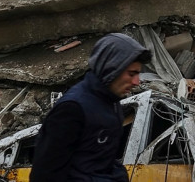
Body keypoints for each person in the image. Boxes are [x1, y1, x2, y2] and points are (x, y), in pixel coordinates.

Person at [31, 33, 152, 182]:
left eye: (138, 74)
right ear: (111, 68)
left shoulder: (112, 104)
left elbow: (102, 162)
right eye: (131, 74)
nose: (136, 81)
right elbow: (45, 174)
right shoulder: (72, 109)